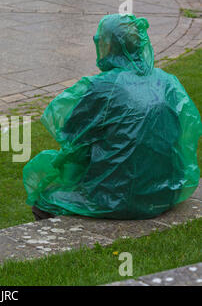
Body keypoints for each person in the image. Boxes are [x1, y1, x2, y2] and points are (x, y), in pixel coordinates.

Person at [23, 14, 202, 220]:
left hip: (117, 197)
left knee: (43, 199)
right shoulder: (166, 81)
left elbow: (72, 136)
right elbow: (184, 132)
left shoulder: (103, 86)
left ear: (109, 45)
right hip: (167, 192)